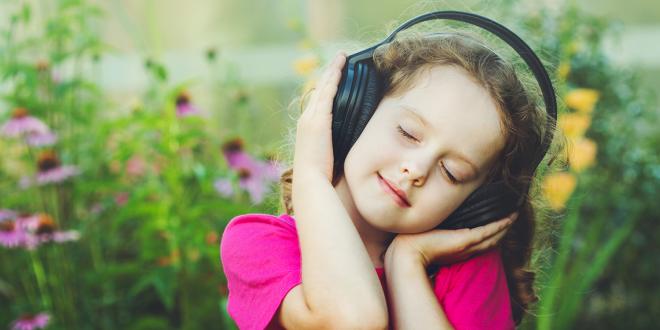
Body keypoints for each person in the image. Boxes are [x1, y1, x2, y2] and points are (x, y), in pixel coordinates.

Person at [220, 31, 562, 329]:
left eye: (451, 172)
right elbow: (352, 320)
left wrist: (408, 266)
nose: (416, 170)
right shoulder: (257, 244)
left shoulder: (466, 269)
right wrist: (311, 173)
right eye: (408, 133)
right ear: (355, 112)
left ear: (475, 204)